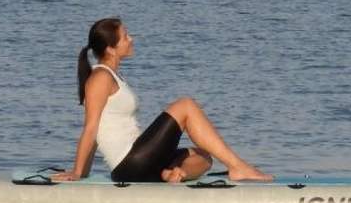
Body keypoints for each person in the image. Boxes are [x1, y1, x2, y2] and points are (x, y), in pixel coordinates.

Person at [51, 18, 272, 184]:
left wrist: (83, 172)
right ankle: (238, 167)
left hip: (141, 161)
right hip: (129, 164)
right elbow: (91, 128)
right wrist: (79, 173)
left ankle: (175, 173)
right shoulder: (100, 78)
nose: (131, 39)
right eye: (125, 36)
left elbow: (98, 131)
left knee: (204, 156)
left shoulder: (112, 76)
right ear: (111, 48)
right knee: (186, 106)